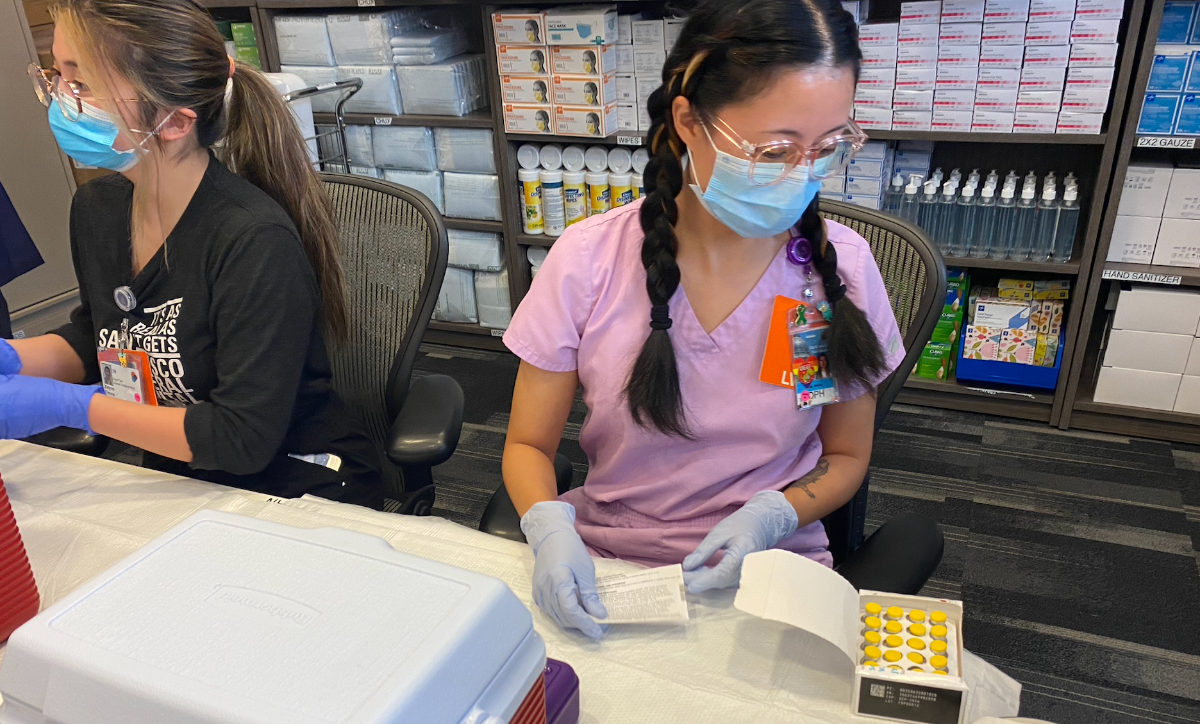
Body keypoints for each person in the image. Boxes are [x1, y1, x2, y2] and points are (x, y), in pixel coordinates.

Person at [502, 0, 933, 640]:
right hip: (609, 569)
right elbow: (528, 445)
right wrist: (548, 529)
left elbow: (844, 456)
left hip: (770, 574)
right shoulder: (589, 259)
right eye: (774, 148)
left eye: (827, 146)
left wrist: (770, 518)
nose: (803, 172)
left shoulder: (834, 276)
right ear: (689, 122)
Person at [0, 0, 384, 507]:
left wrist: (75, 407)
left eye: (82, 84)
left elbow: (241, 438)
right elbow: (101, 333)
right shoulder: (98, 209)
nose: (60, 100)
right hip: (178, 473)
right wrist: (13, 359)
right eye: (56, 75)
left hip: (291, 483)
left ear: (175, 123)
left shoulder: (251, 240)